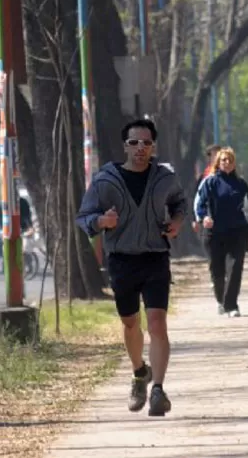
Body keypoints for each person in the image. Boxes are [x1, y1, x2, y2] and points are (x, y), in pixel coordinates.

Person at [76, 118, 187, 417]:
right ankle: (140, 371)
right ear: (125, 146)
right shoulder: (105, 180)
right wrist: (101, 222)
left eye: (147, 143)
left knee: (157, 324)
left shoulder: (165, 178)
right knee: (130, 324)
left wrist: (175, 224)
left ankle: (159, 391)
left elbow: (180, 203)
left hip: (155, 257)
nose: (140, 148)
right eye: (134, 142)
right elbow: (84, 216)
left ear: (154, 147)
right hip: (121, 260)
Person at [195, 147, 248, 317]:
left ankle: (231, 305)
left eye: (230, 160)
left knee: (235, 268)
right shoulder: (210, 182)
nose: (227, 163)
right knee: (217, 271)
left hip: (236, 233)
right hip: (214, 234)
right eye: (223, 160)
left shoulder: (241, 184)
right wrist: (203, 217)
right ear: (218, 163)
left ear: (234, 163)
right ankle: (221, 300)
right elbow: (200, 204)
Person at [191, 144, 222, 233]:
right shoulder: (204, 177)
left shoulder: (227, 175)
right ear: (210, 158)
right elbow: (196, 197)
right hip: (207, 219)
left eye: (220, 155)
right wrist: (195, 219)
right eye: (215, 155)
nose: (217, 157)